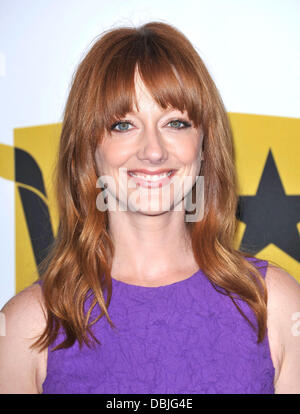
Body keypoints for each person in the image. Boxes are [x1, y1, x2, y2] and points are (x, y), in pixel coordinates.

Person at [1, 21, 300, 395]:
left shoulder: (276, 306)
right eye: (123, 125)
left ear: (204, 143)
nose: (153, 151)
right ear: (87, 150)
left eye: (175, 122)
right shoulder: (25, 329)